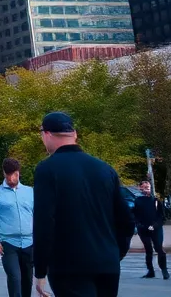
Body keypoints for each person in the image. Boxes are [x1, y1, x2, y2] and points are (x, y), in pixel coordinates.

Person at [32, 112, 134, 297]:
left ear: (46, 134)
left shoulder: (47, 169)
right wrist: (115, 253)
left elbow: (44, 222)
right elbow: (126, 220)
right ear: (75, 134)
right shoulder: (104, 169)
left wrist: (40, 270)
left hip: (69, 265)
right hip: (107, 262)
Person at [0, 158, 34, 297]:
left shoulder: (29, 192)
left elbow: (37, 215)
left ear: (18, 173)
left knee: (27, 279)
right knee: (15, 278)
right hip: (8, 243)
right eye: (9, 175)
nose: (12, 178)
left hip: (29, 242)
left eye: (15, 175)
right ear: (4, 173)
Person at [134, 180, 168, 281]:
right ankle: (150, 271)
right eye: (144, 187)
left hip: (156, 228)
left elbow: (162, 217)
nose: (146, 189)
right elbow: (135, 215)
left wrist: (154, 225)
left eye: (148, 187)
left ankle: (164, 270)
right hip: (143, 229)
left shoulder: (156, 200)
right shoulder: (137, 201)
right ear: (140, 188)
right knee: (148, 249)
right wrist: (140, 225)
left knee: (159, 248)